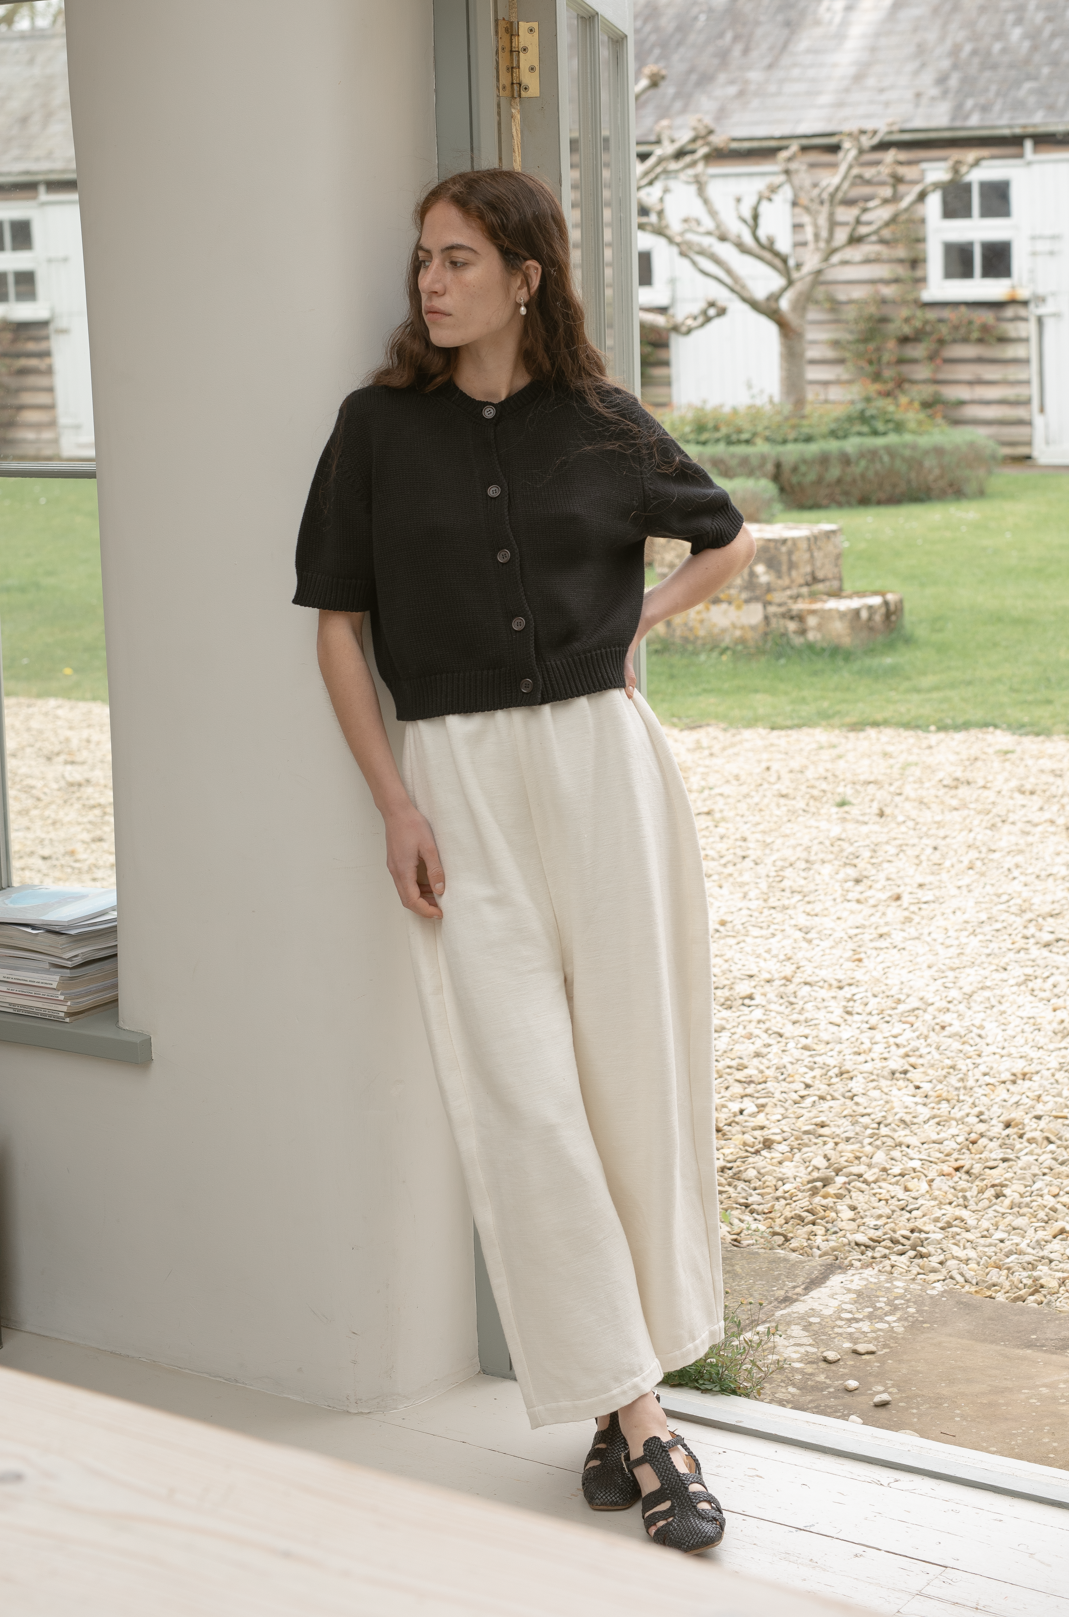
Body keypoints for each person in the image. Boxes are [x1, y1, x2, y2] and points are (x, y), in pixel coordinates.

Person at [294, 168, 756, 1553]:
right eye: (421, 260)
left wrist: (641, 626)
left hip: (602, 767)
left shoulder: (602, 423)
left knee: (629, 1075)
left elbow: (725, 539)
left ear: (525, 277)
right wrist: (394, 803)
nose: (429, 283)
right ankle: (645, 1421)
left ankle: (625, 1407)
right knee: (526, 1103)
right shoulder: (375, 431)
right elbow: (336, 627)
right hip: (456, 780)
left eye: (456, 260)